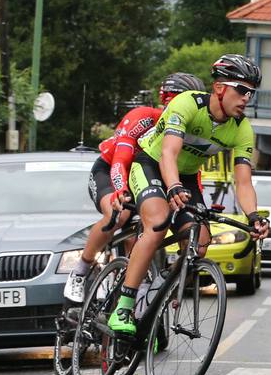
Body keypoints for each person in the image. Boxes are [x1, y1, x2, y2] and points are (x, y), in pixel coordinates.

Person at [105, 55, 270, 336]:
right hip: (151, 164)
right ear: (219, 88)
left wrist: (253, 216)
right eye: (241, 90)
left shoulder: (242, 129)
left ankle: (161, 288)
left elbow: (243, 182)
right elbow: (168, 153)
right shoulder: (188, 104)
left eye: (251, 93)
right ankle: (124, 305)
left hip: (186, 178)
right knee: (157, 223)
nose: (246, 98)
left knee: (201, 242)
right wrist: (172, 187)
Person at [63, 73, 207, 303]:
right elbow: (120, 160)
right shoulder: (143, 117)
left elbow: (191, 171)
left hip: (146, 177)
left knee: (161, 226)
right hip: (111, 170)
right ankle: (81, 269)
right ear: (168, 101)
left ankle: (153, 286)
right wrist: (120, 191)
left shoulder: (189, 131)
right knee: (120, 215)